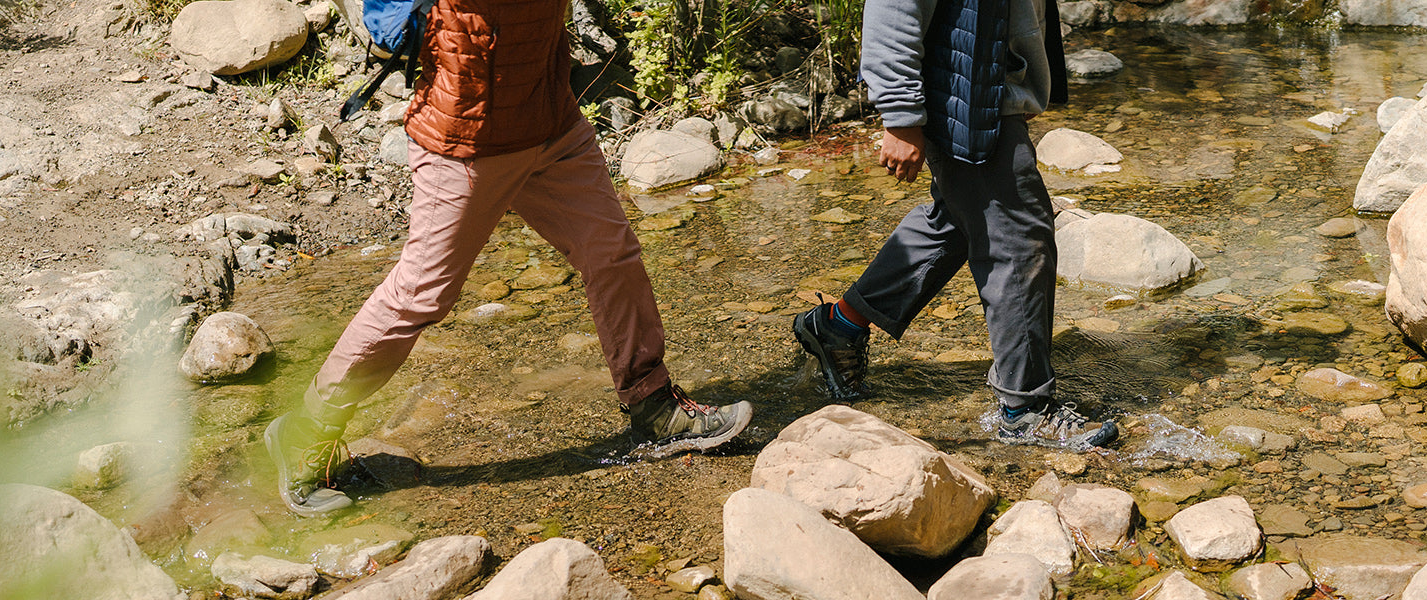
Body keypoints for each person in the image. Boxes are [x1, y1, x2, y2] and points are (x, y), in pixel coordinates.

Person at [264, 0, 753, 517]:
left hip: (552, 125)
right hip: (465, 142)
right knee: (420, 295)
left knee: (612, 254)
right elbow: (393, 28)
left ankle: (653, 406)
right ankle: (304, 431)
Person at [792, 0, 1117, 449]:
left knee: (957, 222)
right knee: (1021, 240)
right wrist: (901, 115)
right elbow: (894, 9)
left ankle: (839, 326)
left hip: (987, 90)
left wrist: (1027, 83)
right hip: (967, 99)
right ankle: (1026, 411)